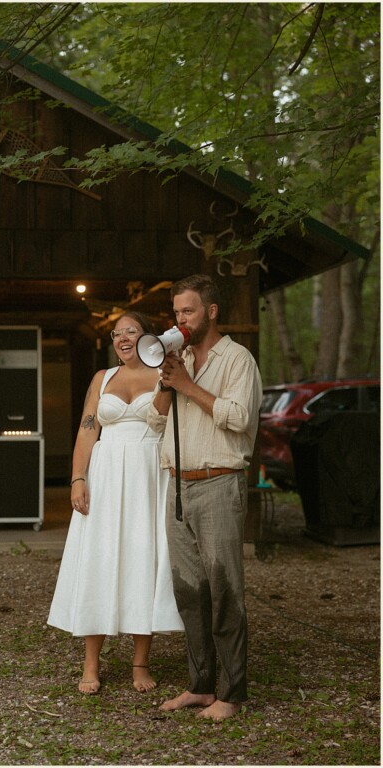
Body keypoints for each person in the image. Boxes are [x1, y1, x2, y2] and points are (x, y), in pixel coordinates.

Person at [48, 312, 183, 695]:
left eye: (132, 332)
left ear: (148, 338)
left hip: (147, 472)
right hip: (105, 474)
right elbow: (88, 428)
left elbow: (161, 417)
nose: (123, 338)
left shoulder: (164, 374)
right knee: (100, 559)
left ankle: (140, 663)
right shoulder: (102, 378)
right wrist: (78, 478)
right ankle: (91, 663)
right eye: (117, 333)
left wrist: (168, 379)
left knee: (144, 560)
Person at [147, 273, 261, 721]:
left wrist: (188, 386)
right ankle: (200, 686)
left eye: (188, 311)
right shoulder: (178, 361)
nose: (180, 319)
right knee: (190, 592)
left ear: (210, 312)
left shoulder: (238, 359)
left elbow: (237, 416)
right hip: (179, 482)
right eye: (176, 313)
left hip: (218, 482)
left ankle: (231, 695)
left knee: (225, 590)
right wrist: (166, 381)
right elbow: (157, 422)